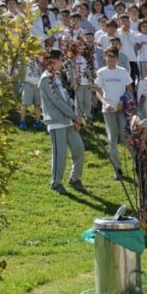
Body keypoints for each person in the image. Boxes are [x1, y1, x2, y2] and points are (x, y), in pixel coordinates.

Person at [38, 49, 86, 194]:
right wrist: (74, 116)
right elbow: (56, 101)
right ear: (52, 61)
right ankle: (56, 183)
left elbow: (65, 99)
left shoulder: (56, 78)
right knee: (60, 154)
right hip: (56, 121)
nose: (62, 63)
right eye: (60, 60)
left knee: (79, 149)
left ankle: (74, 179)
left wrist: (74, 116)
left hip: (68, 120)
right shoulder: (46, 79)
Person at [94, 47, 134, 179]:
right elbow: (98, 91)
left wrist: (124, 102)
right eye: (108, 56)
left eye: (113, 56)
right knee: (112, 138)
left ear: (117, 58)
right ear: (105, 57)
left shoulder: (122, 72)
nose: (110, 59)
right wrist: (105, 103)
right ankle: (117, 169)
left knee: (125, 136)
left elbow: (129, 89)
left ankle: (137, 163)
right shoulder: (101, 72)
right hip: (109, 110)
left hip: (122, 109)